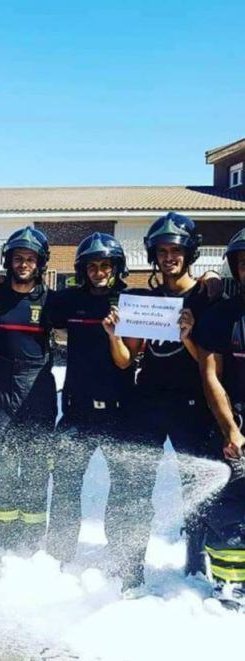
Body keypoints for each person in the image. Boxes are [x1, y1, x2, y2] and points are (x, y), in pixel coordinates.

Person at [107, 212, 220, 584]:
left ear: (190, 253)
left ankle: (196, 565)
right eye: (162, 251)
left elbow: (210, 363)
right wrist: (115, 335)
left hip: (192, 404)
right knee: (135, 485)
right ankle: (131, 568)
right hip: (148, 401)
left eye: (176, 250)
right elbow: (126, 360)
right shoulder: (144, 300)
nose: (169, 257)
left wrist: (188, 336)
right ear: (153, 255)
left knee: (197, 487)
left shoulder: (207, 297)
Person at [47, 233, 151, 582]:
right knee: (65, 486)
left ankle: (126, 565)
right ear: (82, 269)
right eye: (92, 266)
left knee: (124, 490)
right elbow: (31, 297)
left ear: (117, 267)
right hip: (77, 411)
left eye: (106, 265)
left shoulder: (132, 302)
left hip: (120, 413)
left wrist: (211, 280)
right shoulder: (69, 301)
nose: (99, 272)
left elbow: (126, 361)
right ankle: (58, 556)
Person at [0, 227, 57, 554]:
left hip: (38, 390)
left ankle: (33, 533)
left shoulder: (51, 300)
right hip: (2, 390)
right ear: (8, 261)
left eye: (30, 259)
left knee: (36, 465)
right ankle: (6, 532)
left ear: (40, 263)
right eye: (18, 258)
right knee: (4, 466)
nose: (24, 264)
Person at [194, 227, 245, 605]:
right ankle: (230, 586)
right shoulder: (222, 316)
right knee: (230, 508)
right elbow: (211, 375)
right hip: (235, 423)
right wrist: (231, 430)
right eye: (244, 263)